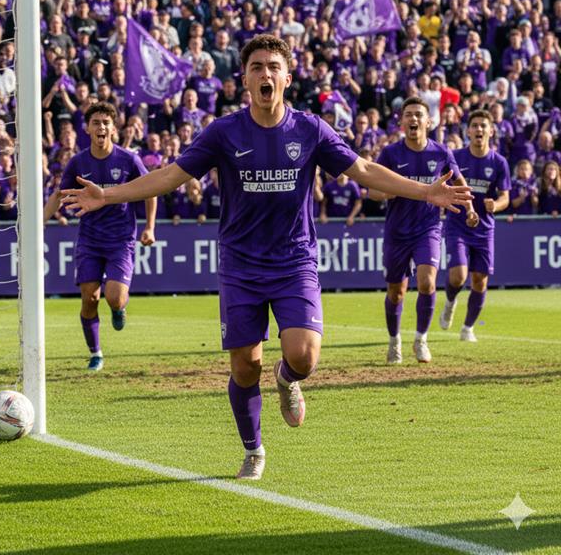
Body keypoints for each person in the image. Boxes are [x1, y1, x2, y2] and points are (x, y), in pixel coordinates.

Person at [61, 35, 470, 481]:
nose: (265, 74)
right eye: (256, 66)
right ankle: (253, 449)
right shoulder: (224, 132)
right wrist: (109, 195)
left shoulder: (311, 129)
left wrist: (427, 190)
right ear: (245, 78)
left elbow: (364, 170)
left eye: (273, 66)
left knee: (305, 356)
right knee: (244, 365)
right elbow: (170, 176)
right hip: (240, 265)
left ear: (287, 78)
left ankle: (287, 379)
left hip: (294, 261)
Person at [44, 101, 156, 372]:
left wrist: (149, 227)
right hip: (90, 240)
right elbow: (59, 196)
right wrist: (39, 224)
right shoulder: (78, 162)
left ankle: (118, 309)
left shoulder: (129, 160)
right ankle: (95, 353)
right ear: (87, 129)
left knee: (114, 297)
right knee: (89, 299)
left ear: (113, 128)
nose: (101, 127)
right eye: (96, 122)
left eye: (106, 122)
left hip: (120, 241)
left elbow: (150, 190)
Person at [371, 97, 464, 365]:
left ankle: (421, 339)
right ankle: (394, 341)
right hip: (397, 231)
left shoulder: (441, 153)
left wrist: (468, 207)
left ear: (428, 121)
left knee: (427, 282)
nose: (413, 119)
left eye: (418, 115)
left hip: (428, 228)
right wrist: (389, 191)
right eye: (408, 115)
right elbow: (372, 190)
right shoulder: (390, 154)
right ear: (401, 122)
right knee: (395, 292)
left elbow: (458, 181)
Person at [440, 110, 511, 342]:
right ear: (468, 131)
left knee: (480, 280)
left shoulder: (499, 162)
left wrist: (496, 206)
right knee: (459, 276)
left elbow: (505, 197)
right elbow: (444, 185)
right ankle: (450, 301)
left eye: (483, 125)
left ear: (491, 131)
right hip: (457, 224)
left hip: (484, 229)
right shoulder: (456, 157)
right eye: (475, 125)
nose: (479, 129)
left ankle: (468, 328)